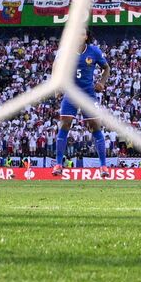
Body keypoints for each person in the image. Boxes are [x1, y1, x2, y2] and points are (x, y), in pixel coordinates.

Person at [53, 30, 109, 175]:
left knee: (95, 126)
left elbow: (106, 68)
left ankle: (103, 166)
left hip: (88, 94)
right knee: (65, 124)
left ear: (86, 36)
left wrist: (101, 83)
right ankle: (58, 165)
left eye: (82, 34)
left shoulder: (94, 51)